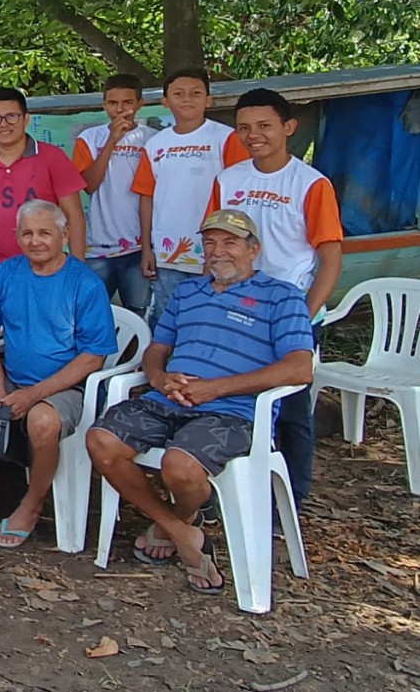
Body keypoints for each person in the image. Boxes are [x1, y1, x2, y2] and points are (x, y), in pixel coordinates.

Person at [87, 210, 314, 594]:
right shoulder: (188, 293)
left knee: (180, 467)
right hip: (169, 399)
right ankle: (182, 530)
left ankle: (179, 516)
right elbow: (157, 349)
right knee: (100, 441)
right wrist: (159, 378)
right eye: (210, 242)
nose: (217, 251)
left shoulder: (282, 297)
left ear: (253, 249)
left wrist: (217, 388)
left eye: (229, 242)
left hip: (233, 411)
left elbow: (299, 369)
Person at [0, 199, 114, 547]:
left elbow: (94, 358)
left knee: (42, 422)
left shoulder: (85, 283)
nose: (36, 241)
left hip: (65, 387)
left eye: (45, 233)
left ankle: (31, 506)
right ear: (17, 236)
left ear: (64, 235)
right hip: (10, 377)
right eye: (27, 233)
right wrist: (0, 391)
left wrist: (34, 394)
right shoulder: (5, 273)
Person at [209, 88, 343, 508]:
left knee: (289, 410)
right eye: (244, 127)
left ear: (288, 128)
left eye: (264, 126)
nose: (254, 135)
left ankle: (289, 503)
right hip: (235, 310)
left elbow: (330, 258)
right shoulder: (229, 179)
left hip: (289, 314)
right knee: (227, 399)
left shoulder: (311, 184)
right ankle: (226, 497)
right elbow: (213, 245)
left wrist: (304, 317)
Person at [131, 68, 248, 327]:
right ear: (165, 101)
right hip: (167, 252)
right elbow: (146, 197)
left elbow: (239, 197)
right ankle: (163, 368)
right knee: (168, 318)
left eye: (196, 93)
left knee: (212, 318)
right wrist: (147, 248)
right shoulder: (155, 144)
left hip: (217, 252)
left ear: (208, 100)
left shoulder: (226, 138)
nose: (187, 99)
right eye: (178, 93)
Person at [0, 88, 87, 277]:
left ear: (26, 119)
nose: (4, 124)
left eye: (12, 116)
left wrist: (78, 270)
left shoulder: (52, 157)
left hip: (44, 269)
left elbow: (74, 215)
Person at [72, 75, 156, 315]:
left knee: (139, 314)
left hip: (140, 248)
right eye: (113, 103)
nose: (120, 109)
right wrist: (112, 141)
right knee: (92, 314)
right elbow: (88, 185)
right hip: (98, 247)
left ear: (140, 104)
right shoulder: (89, 139)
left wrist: (149, 247)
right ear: (104, 104)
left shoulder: (153, 139)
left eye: (128, 103)